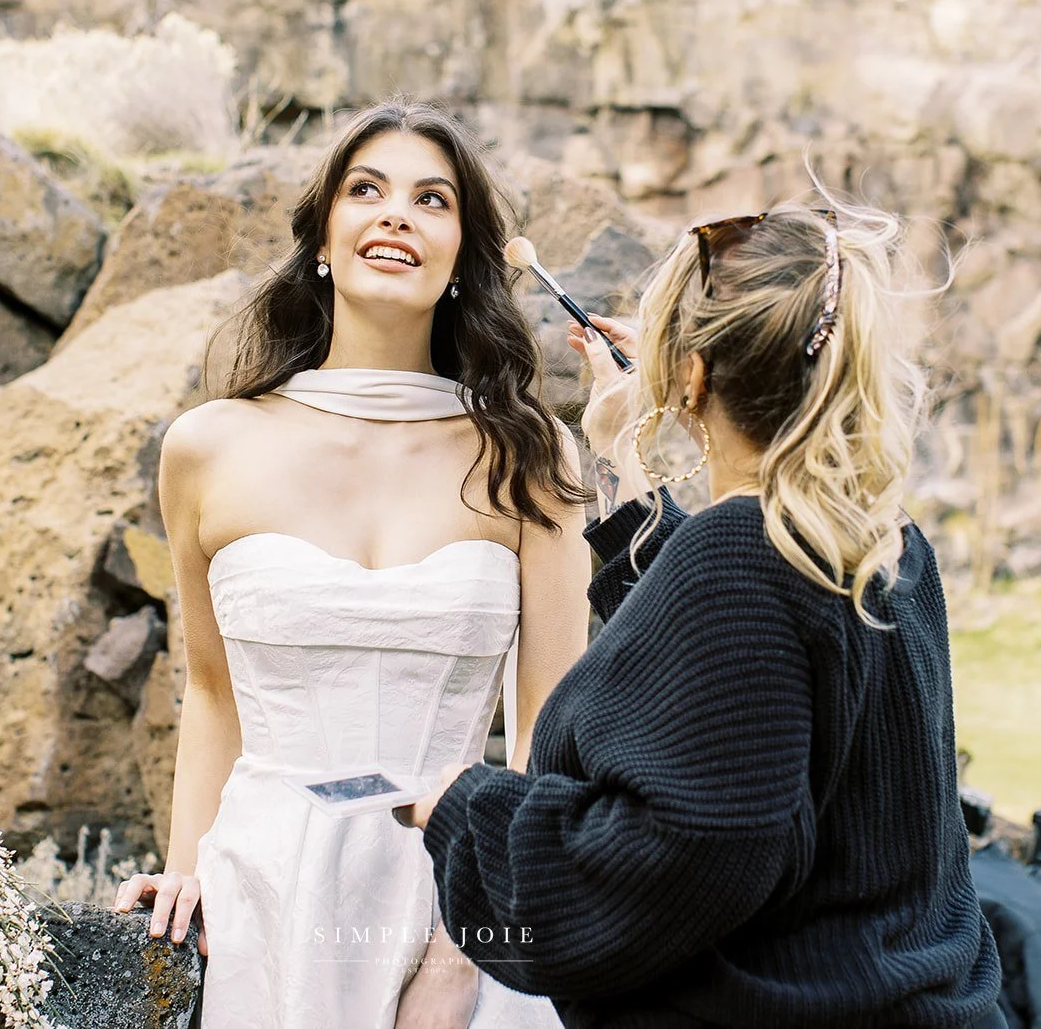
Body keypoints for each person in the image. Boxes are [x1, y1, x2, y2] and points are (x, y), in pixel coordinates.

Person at [404, 197, 1007, 1027]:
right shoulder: (888, 545)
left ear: (688, 376)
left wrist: (468, 811)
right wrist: (623, 452)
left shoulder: (740, 561)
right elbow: (727, 672)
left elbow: (673, 862)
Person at [112, 101, 589, 1028]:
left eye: (431, 199)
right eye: (365, 189)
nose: (395, 214)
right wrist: (186, 869)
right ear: (324, 239)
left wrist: (465, 954)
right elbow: (211, 694)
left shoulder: (533, 458)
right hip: (260, 900)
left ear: (461, 257)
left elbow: (547, 732)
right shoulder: (208, 446)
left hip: (461, 902)